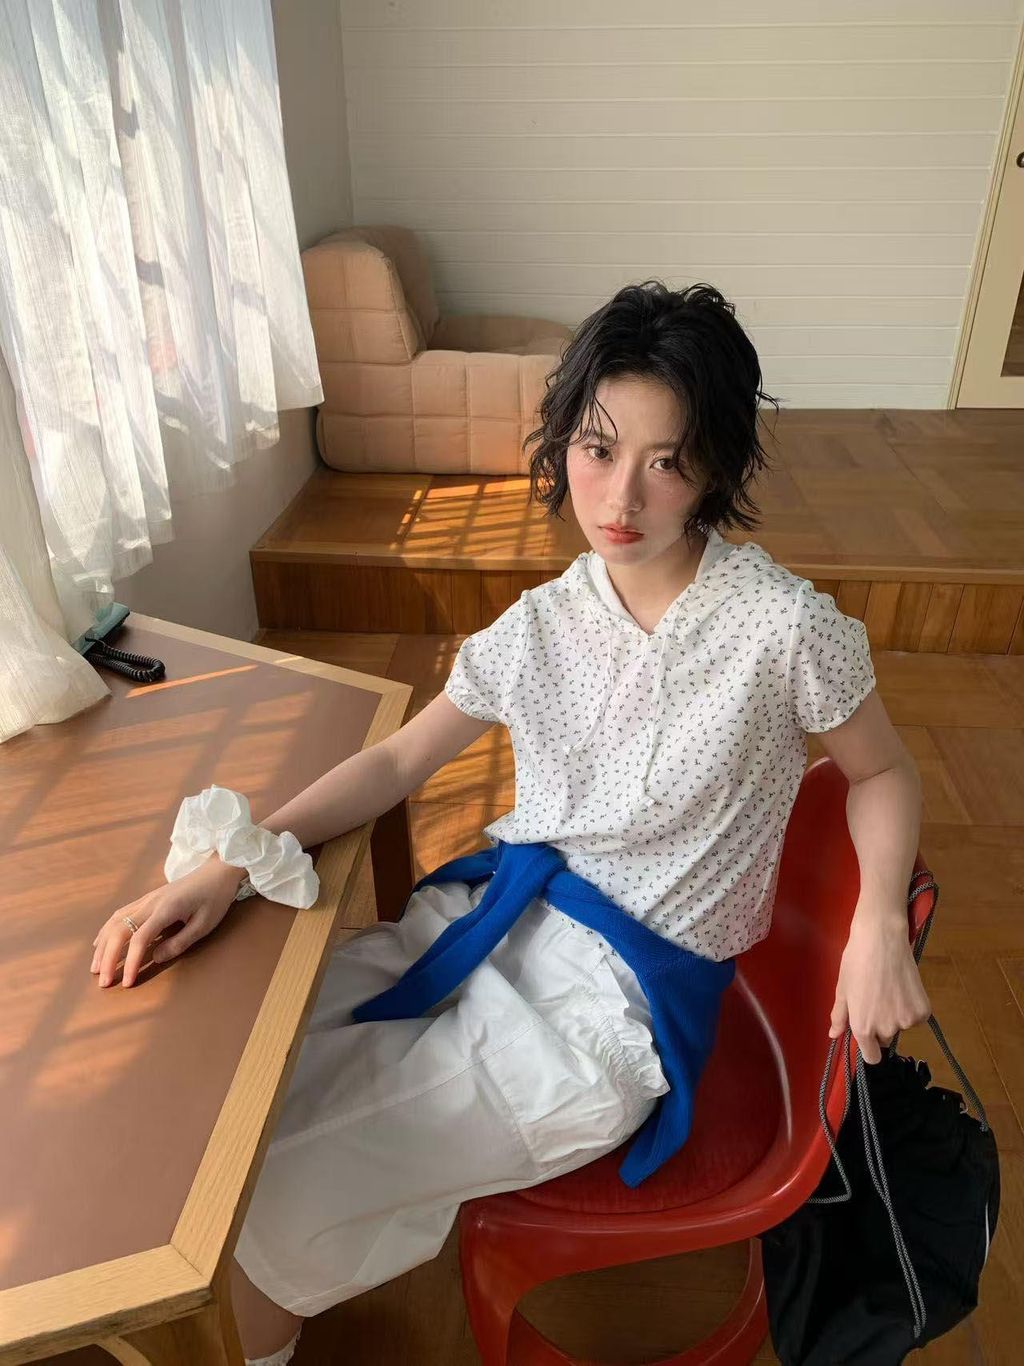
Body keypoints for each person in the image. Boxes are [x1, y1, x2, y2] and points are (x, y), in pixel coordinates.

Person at [90, 281, 932, 1366]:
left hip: (609, 1019)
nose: (620, 495)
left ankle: (257, 1333)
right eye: (597, 448)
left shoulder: (781, 627)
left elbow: (883, 771)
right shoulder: (544, 621)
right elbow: (398, 759)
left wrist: (876, 928)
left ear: (716, 468)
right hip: (494, 922)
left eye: (668, 461)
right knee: (235, 1083)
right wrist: (231, 867)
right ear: (563, 439)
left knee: (276, 1179)